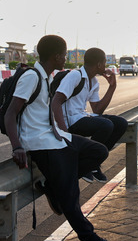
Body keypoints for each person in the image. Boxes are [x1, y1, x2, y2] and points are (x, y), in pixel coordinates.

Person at [4, 35, 127, 241]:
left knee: (98, 151)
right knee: (70, 195)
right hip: (40, 143)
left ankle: (55, 187)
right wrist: (17, 147)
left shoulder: (46, 77)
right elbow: (10, 113)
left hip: (54, 137)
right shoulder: (32, 77)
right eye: (64, 54)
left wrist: (62, 133)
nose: (66, 58)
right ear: (56, 56)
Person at [53, 47, 127, 183]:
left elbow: (97, 110)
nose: (105, 66)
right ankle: (87, 163)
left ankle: (93, 163)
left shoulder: (93, 82)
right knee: (106, 125)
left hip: (82, 117)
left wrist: (112, 87)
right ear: (99, 64)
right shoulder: (75, 76)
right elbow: (56, 101)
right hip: (70, 122)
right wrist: (65, 133)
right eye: (104, 63)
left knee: (121, 123)